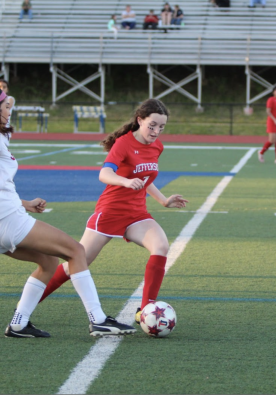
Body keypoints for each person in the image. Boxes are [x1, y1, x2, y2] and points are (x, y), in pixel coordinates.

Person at [0, 86, 135, 338]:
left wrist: (26, 203)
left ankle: (19, 323)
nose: (10, 111)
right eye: (7, 106)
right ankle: (98, 320)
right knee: (76, 251)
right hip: (6, 221)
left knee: (48, 262)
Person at [36, 99, 188, 326]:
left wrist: (164, 200)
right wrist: (125, 182)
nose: (156, 131)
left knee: (161, 246)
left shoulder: (157, 146)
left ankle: (146, 311)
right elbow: (104, 174)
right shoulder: (123, 144)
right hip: (110, 212)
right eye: (152, 125)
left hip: (137, 214)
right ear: (140, 120)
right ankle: (30, 301)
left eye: (161, 127)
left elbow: (146, 178)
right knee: (75, 264)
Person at [258, 86, 276, 164]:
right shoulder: (271, 99)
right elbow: (268, 111)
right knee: (272, 140)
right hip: (272, 122)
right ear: (273, 92)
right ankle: (261, 152)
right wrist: (274, 120)